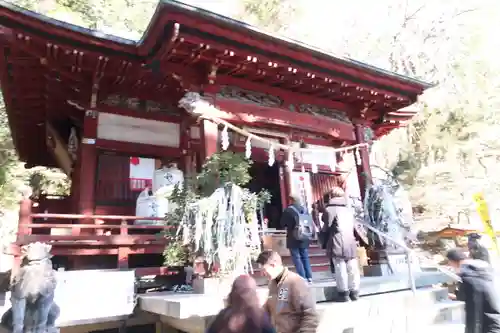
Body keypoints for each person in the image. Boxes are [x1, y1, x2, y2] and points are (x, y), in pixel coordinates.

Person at [256, 250, 319, 333]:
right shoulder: (272, 284)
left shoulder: (295, 282)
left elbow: (310, 313)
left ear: (273, 265)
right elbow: (269, 310)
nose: (262, 274)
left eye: (263, 270)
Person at [446, 248, 500, 333]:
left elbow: (474, 313)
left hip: (488, 327)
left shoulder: (469, 278)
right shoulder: (485, 272)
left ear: (453, 262)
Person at [321, 187, 360, 302]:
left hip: (336, 240)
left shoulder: (329, 210)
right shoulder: (348, 209)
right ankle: (355, 291)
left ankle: (343, 293)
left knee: (340, 267)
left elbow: (326, 227)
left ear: (331, 196)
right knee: (352, 267)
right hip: (350, 240)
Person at [206, 275, 276, 333]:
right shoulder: (222, 317)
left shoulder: (261, 319)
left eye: (246, 291)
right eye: (241, 291)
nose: (243, 296)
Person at [280, 195, 314, 283]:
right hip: (304, 236)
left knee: (297, 258)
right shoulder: (305, 210)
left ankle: (302, 277)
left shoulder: (288, 211)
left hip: (293, 237)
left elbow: (282, 224)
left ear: (291, 200)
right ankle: (309, 277)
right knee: (305, 257)